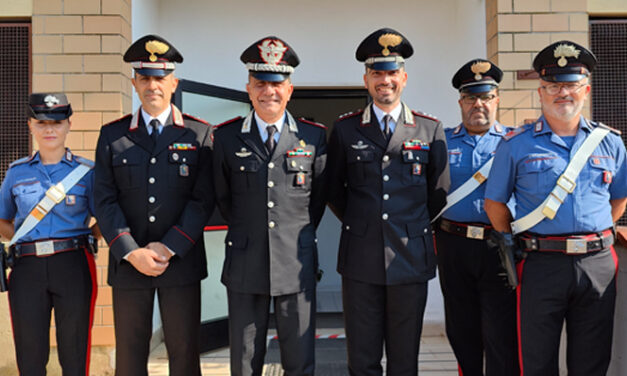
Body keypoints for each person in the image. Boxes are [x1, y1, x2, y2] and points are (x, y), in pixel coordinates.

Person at [484, 40, 627, 376]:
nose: (563, 93)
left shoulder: (611, 142)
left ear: (586, 89)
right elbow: (494, 204)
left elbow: (620, 197)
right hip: (541, 263)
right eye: (553, 86)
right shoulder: (516, 145)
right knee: (537, 359)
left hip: (597, 264)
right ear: (541, 92)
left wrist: (598, 230)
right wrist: (511, 242)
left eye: (571, 85)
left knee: (592, 361)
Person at [326, 27, 449, 375]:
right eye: (377, 73)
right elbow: (334, 190)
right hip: (360, 258)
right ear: (365, 79)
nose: (385, 80)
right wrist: (364, 223)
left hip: (410, 259)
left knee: (404, 358)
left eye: (391, 72)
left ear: (404, 78)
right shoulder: (347, 129)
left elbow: (437, 194)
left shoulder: (429, 129)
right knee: (362, 359)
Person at [93, 35, 214, 376]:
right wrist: (132, 251)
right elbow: (103, 199)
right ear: (134, 82)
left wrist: (169, 246)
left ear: (173, 83)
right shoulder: (112, 136)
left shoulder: (198, 134)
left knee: (185, 353)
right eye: (144, 78)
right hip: (129, 263)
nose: (152, 86)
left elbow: (203, 200)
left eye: (159, 78)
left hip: (181, 262)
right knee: (130, 358)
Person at [212, 36, 327, 376]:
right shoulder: (227, 137)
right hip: (246, 261)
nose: (269, 91)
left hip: (296, 261)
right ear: (248, 88)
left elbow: (317, 200)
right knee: (245, 361)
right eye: (260, 83)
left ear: (289, 89)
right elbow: (223, 197)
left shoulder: (313, 137)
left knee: (300, 359)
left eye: (276, 83)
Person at [0, 93, 98, 375]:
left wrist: (88, 236)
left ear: (68, 125)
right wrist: (20, 237)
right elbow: (2, 219)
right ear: (30, 125)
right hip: (27, 267)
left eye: (56, 123)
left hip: (72, 263)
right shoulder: (16, 173)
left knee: (75, 351)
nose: (49, 130)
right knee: (30, 355)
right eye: (41, 123)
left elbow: (106, 217)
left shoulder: (87, 172)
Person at [434, 59, 518, 376]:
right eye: (471, 98)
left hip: (498, 247)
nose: (478, 105)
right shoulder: (441, 141)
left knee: (501, 330)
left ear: (497, 100)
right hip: (453, 244)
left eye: (485, 97)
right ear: (461, 102)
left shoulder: (515, 141)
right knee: (461, 328)